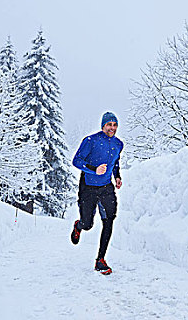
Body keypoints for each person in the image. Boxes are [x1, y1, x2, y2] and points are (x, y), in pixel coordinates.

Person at [70, 111, 123, 275]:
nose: (112, 128)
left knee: (109, 220)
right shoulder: (90, 141)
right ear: (103, 126)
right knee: (88, 224)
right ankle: (79, 226)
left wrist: (117, 176)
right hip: (88, 186)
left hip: (106, 187)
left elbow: (115, 162)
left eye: (114, 125)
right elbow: (76, 160)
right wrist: (94, 169)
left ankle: (100, 260)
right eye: (109, 125)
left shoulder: (118, 144)